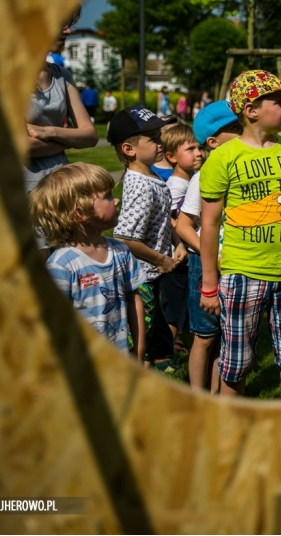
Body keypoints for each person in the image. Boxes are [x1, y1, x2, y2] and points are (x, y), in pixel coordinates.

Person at [198, 70, 281, 399]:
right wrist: (209, 284)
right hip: (241, 274)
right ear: (251, 110)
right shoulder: (223, 158)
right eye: (277, 102)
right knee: (236, 363)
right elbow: (208, 225)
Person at [30, 163, 145, 360]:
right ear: (80, 214)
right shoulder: (61, 265)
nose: (116, 200)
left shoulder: (120, 251)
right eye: (107, 196)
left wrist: (140, 351)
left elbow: (134, 300)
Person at [176, 102, 244, 392]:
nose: (243, 132)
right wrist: (211, 256)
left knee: (226, 336)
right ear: (213, 142)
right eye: (235, 129)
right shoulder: (204, 176)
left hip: (236, 263)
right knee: (204, 337)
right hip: (203, 267)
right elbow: (182, 224)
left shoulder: (246, 167)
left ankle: (217, 394)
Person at [109, 106, 181, 368]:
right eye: (153, 139)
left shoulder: (150, 177)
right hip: (141, 276)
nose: (161, 143)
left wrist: (177, 242)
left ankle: (155, 364)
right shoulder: (140, 186)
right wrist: (160, 259)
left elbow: (162, 218)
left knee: (153, 330)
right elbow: (125, 237)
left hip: (153, 274)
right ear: (130, 149)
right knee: (140, 332)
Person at [25, 5, 98, 197]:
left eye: (69, 24)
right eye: (62, 24)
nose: (69, 31)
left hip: (61, 188)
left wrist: (49, 131)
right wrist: (70, 140)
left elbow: (91, 136)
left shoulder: (62, 76)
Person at [160, 123, 204, 355]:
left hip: (188, 255)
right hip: (177, 257)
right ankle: (165, 351)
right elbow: (169, 218)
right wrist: (180, 241)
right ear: (171, 157)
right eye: (190, 149)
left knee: (186, 300)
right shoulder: (175, 185)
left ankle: (177, 342)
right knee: (175, 305)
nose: (198, 153)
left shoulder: (192, 179)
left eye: (199, 148)